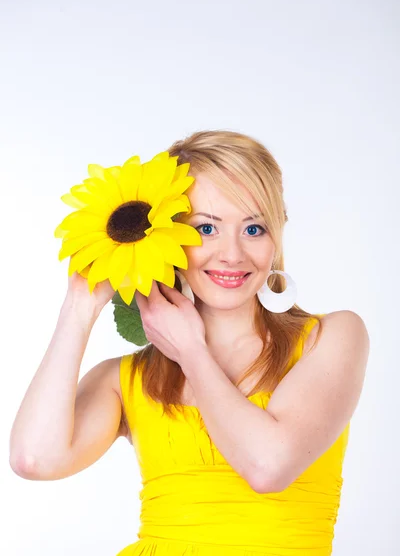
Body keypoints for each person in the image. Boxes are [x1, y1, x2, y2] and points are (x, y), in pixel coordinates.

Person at [9, 130, 370, 556]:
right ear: (165, 236)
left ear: (277, 237)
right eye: (206, 228)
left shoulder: (333, 337)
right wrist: (79, 305)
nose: (232, 254)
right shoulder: (126, 378)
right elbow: (34, 460)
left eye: (254, 228)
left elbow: (268, 467)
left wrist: (193, 353)